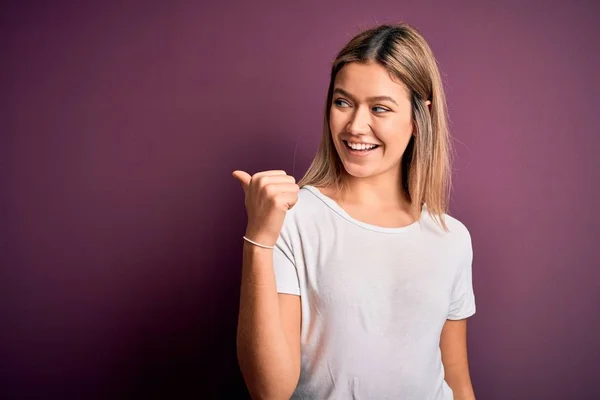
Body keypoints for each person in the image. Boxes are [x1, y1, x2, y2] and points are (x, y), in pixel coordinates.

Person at [233, 22, 476, 400]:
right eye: (343, 102)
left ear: (419, 117)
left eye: (379, 108)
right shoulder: (293, 218)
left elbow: (458, 381)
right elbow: (270, 391)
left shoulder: (452, 239)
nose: (355, 126)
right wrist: (259, 241)